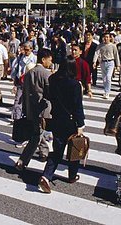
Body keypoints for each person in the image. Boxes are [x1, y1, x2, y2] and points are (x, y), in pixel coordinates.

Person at [38, 57, 85, 194]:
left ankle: (46, 176)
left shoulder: (53, 79)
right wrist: (80, 124)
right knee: (74, 148)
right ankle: (72, 176)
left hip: (57, 118)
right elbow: (78, 106)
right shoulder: (75, 84)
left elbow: (49, 96)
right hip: (71, 120)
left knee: (57, 149)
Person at [15, 48, 53, 170]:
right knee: (36, 135)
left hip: (31, 108)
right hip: (43, 109)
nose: (50, 62)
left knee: (38, 132)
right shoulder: (46, 74)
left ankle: (44, 152)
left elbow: (25, 92)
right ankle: (22, 161)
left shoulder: (28, 73)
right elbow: (49, 93)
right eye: (49, 60)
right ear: (43, 59)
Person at [93, 33, 120, 99]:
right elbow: (96, 53)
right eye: (104, 37)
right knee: (104, 78)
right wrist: (94, 62)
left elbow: (116, 55)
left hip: (111, 62)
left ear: (110, 38)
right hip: (103, 62)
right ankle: (105, 91)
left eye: (107, 37)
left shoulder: (113, 46)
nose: (106, 38)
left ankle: (107, 92)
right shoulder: (100, 45)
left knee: (108, 77)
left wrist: (118, 65)